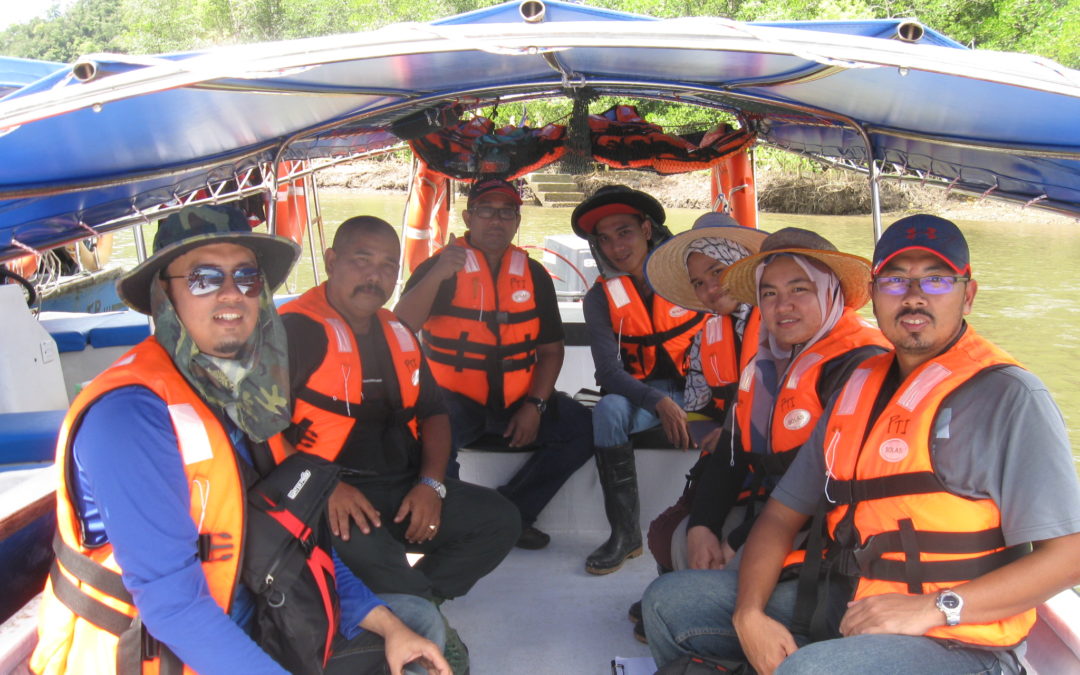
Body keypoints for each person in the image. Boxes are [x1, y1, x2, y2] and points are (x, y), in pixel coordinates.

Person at [643, 215, 1080, 674]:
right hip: (845, 600)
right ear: (873, 295)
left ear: (967, 294)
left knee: (806, 671)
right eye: (895, 280)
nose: (913, 296)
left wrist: (933, 607)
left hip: (959, 640)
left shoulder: (1009, 396)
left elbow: (1069, 557)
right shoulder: (861, 386)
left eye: (936, 279)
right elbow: (780, 515)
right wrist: (749, 613)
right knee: (668, 604)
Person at [31, 205, 449, 675]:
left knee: (414, 621)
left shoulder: (241, 397)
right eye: (204, 279)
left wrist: (391, 629)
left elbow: (300, 546)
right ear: (163, 294)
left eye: (246, 278)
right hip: (171, 657)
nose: (231, 293)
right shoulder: (130, 416)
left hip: (262, 621)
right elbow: (175, 610)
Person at [280, 215, 519, 605]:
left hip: (402, 484)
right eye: (362, 259)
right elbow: (257, 431)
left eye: (388, 265)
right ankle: (409, 610)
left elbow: (435, 414)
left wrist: (430, 484)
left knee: (499, 520)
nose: (375, 276)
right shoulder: (294, 331)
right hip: (330, 494)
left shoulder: (398, 332)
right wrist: (322, 486)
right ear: (330, 260)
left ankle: (415, 603)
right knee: (389, 568)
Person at [394, 178, 594, 551]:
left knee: (582, 426)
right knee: (431, 438)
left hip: (519, 401)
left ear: (517, 221)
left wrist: (535, 406)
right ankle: (450, 527)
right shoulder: (440, 266)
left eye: (507, 212)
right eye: (487, 210)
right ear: (469, 216)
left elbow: (551, 350)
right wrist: (438, 272)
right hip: (453, 400)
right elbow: (400, 328)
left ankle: (513, 514)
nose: (496, 220)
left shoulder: (533, 275)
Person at [572, 185, 707, 575]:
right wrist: (658, 402)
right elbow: (608, 373)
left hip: (697, 391)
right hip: (644, 396)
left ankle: (702, 526)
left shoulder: (688, 278)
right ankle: (625, 535)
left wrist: (701, 405)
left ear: (647, 229)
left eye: (624, 232)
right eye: (605, 238)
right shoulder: (599, 298)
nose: (616, 246)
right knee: (608, 410)